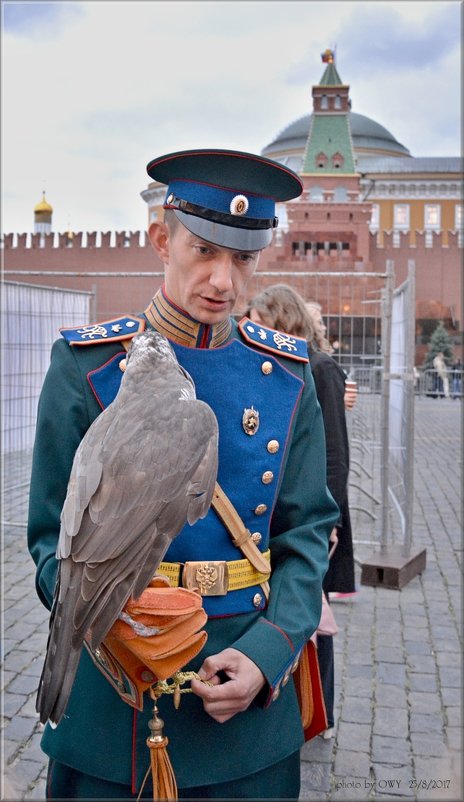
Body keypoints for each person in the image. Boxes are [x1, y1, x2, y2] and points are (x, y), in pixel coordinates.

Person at [28, 149, 339, 800]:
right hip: (114, 707)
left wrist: (269, 652)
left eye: (243, 258)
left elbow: (308, 531)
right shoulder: (85, 371)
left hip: (244, 718)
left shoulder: (286, 376)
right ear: (160, 239)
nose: (224, 280)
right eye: (204, 251)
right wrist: (111, 621)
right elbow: (50, 537)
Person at [247, 284, 356, 739]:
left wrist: (326, 521)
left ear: (281, 319)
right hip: (278, 511)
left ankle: (319, 709)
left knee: (313, 609)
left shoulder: (321, 368)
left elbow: (333, 453)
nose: (250, 330)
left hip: (317, 513)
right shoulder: (268, 367)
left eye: (258, 320)